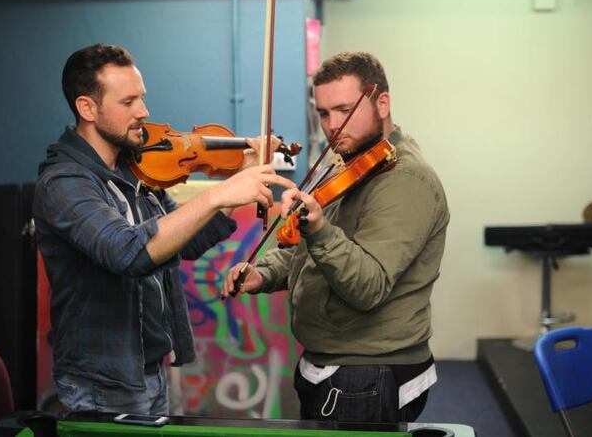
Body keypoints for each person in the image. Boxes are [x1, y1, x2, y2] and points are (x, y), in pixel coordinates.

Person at [33, 43, 294, 415]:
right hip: (101, 381)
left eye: (142, 98)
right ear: (87, 108)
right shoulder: (64, 184)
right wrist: (216, 195)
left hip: (150, 369)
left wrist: (237, 181)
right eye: (128, 103)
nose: (144, 112)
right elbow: (127, 253)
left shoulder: (136, 169)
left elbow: (187, 243)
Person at [222, 51, 449, 423]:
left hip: (368, 371)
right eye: (324, 113)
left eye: (345, 109)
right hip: (333, 362)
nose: (333, 125)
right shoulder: (346, 162)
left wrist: (319, 230)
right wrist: (263, 273)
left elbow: (368, 286)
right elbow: (309, 250)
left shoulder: (404, 180)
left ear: (382, 103)